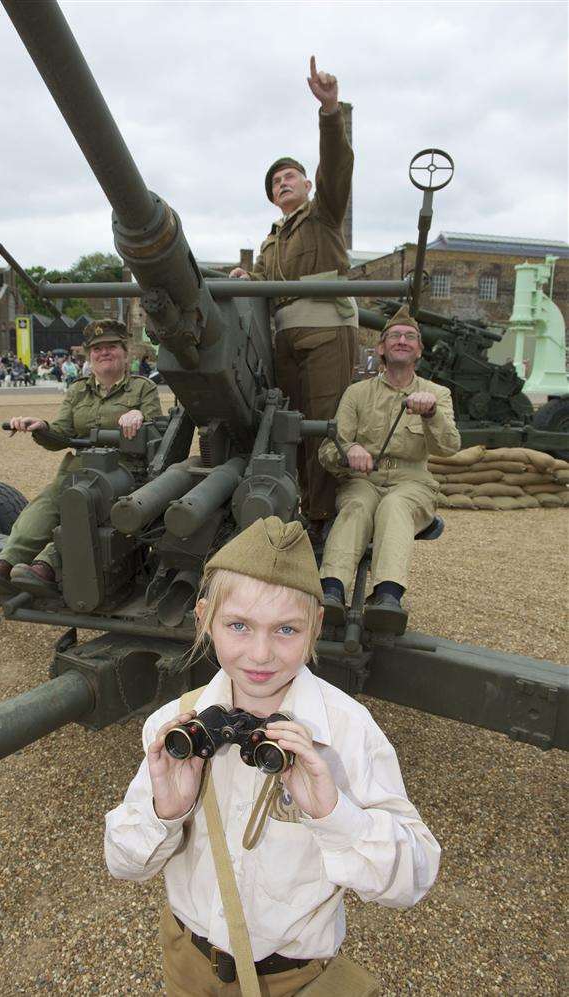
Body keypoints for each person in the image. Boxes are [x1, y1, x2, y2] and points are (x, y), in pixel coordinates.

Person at [105, 516, 440, 996]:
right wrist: (165, 814)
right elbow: (123, 864)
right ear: (204, 620)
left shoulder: (345, 729)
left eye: (286, 629)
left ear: (316, 627)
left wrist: (333, 814)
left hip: (296, 977)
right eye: (238, 625)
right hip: (188, 963)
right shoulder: (174, 723)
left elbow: (414, 879)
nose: (260, 654)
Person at [229, 56, 358, 544]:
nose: (282, 182)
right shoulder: (272, 240)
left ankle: (324, 520)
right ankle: (298, 504)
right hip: (286, 336)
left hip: (326, 328)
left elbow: (338, 166)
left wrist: (329, 113)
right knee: (290, 425)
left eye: (290, 176)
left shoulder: (323, 213)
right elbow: (266, 282)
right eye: (275, 182)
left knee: (325, 423)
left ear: (306, 185)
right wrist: (247, 276)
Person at [0, 320, 162, 595]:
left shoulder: (143, 389)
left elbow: (159, 433)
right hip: (79, 469)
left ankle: (46, 566)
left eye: (111, 347)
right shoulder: (78, 390)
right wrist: (42, 427)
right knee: (44, 506)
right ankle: (5, 563)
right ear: (89, 356)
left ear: (125, 352)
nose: (104, 352)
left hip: (122, 473)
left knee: (82, 507)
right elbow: (61, 435)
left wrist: (140, 416)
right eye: (97, 349)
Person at [318, 304, 461, 633]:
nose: (402, 340)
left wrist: (431, 415)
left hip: (412, 482)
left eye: (410, 337)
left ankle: (387, 598)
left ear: (419, 351)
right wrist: (349, 450)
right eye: (394, 336)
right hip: (363, 481)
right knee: (356, 506)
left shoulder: (437, 394)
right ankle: (331, 591)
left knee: (395, 507)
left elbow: (450, 447)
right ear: (380, 348)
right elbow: (329, 448)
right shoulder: (357, 393)